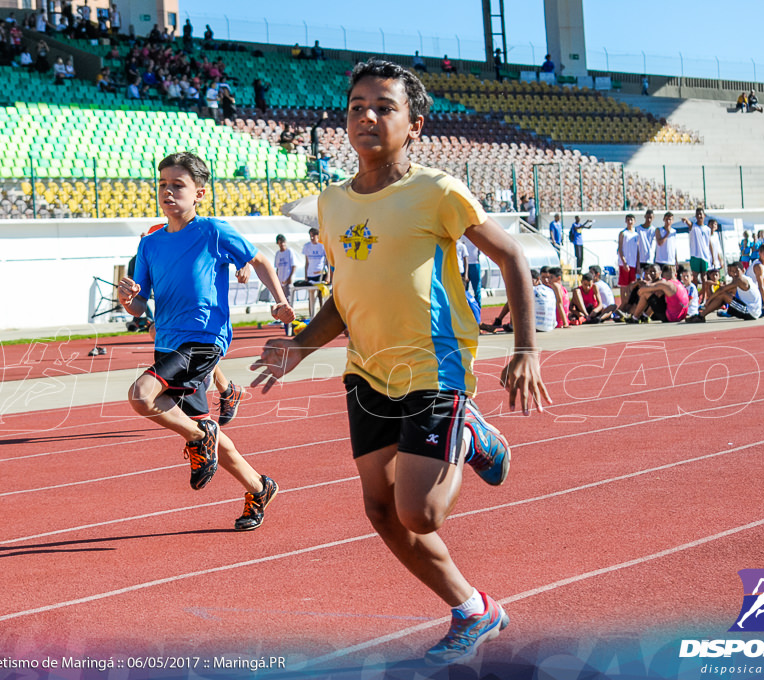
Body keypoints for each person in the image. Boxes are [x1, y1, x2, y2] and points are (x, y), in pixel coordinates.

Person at [249, 59, 550, 667]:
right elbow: (347, 294)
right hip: (366, 372)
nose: (367, 116)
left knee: (422, 509)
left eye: (385, 107)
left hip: (433, 367)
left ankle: (470, 431)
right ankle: (473, 609)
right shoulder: (330, 203)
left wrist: (525, 350)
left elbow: (513, 257)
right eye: (358, 105)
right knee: (382, 512)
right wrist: (300, 346)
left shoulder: (436, 191)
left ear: (415, 124)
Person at [117, 152, 295, 531]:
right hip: (168, 341)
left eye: (177, 185)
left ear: (199, 192)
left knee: (141, 395)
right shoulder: (150, 245)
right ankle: (259, 487)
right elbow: (137, 307)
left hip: (203, 341)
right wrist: (127, 298)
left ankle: (201, 438)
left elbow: (260, 260)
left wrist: (279, 301)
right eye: (163, 184)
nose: (168, 191)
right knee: (204, 427)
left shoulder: (213, 230)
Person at [685, 261, 762, 323]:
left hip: (751, 312)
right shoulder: (744, 279)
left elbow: (722, 290)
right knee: (723, 295)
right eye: (731, 271)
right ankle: (701, 315)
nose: (734, 274)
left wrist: (708, 302)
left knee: (723, 295)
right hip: (753, 310)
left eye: (736, 271)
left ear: (743, 270)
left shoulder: (740, 280)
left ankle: (701, 316)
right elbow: (722, 292)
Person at [624, 264, 690, 324]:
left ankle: (634, 318)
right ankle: (645, 316)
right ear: (675, 275)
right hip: (681, 317)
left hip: (670, 318)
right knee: (658, 293)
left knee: (646, 294)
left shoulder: (665, 283)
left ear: (663, 276)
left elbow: (641, 291)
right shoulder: (679, 284)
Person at [617, 213, 639, 302]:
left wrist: (637, 264)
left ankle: (629, 304)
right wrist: (624, 262)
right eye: (628, 220)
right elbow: (620, 248)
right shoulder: (623, 233)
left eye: (631, 220)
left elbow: (637, 250)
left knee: (632, 286)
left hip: (633, 263)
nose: (630, 221)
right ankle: (623, 304)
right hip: (624, 264)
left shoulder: (636, 235)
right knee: (624, 286)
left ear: (634, 221)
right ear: (626, 221)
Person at [684, 208, 709, 285]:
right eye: (697, 214)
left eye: (700, 214)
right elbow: (689, 223)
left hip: (705, 256)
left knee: (704, 277)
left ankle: (704, 295)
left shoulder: (707, 229)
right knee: (695, 276)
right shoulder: (693, 226)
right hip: (695, 255)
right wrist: (685, 219)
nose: (699, 216)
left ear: (704, 215)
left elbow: (709, 243)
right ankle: (695, 294)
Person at [459, 234, 482, 310]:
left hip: (475, 264)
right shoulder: (463, 236)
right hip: (465, 265)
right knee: (464, 290)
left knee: (477, 290)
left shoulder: (477, 236)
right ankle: (465, 310)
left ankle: (478, 310)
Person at [273, 234, 295, 309]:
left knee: (288, 299)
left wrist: (290, 278)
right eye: (280, 242)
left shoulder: (289, 252)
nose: (282, 244)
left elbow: (293, 265)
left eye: (283, 242)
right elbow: (277, 268)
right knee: (281, 300)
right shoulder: (278, 254)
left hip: (287, 280)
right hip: (280, 280)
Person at [635, 209, 656, 277]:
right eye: (648, 217)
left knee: (649, 279)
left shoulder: (654, 230)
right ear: (645, 217)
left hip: (650, 259)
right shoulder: (638, 229)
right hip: (639, 259)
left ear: (653, 218)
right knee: (639, 279)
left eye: (651, 217)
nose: (649, 219)